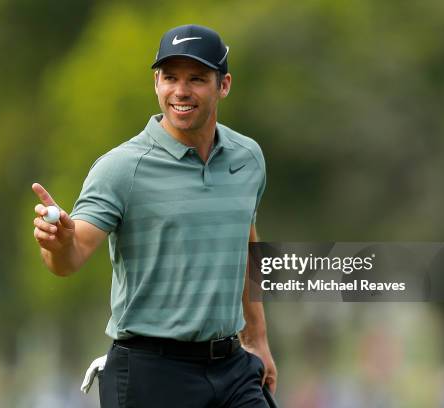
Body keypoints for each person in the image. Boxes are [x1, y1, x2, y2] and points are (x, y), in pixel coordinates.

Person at [32, 24, 277, 407]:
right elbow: (71, 256)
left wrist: (257, 339)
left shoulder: (248, 158)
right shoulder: (121, 168)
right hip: (151, 371)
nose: (181, 91)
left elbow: (244, 243)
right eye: (170, 78)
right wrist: (58, 244)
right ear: (156, 83)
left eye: (196, 78)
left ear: (224, 85)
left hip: (231, 369)